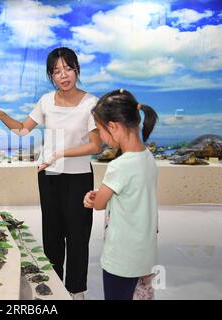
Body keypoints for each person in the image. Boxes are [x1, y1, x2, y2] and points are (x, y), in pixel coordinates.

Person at [0, 47, 101, 299]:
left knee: (77, 236)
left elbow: (96, 145)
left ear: (76, 69)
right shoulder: (46, 100)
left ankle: (76, 291)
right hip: (49, 176)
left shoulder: (91, 103)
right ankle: (54, 290)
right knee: (52, 235)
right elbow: (23, 129)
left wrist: (61, 153)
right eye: (57, 71)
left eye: (68, 68)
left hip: (78, 177)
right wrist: (3, 116)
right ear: (51, 76)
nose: (63, 75)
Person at [83, 89, 159, 300]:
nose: (102, 137)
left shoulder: (119, 165)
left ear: (113, 127)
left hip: (121, 259)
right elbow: (132, 192)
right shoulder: (147, 157)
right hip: (143, 255)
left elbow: (98, 204)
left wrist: (92, 197)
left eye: (100, 129)